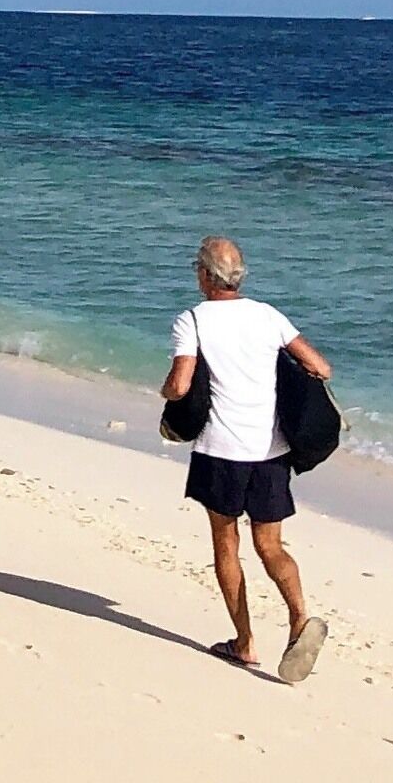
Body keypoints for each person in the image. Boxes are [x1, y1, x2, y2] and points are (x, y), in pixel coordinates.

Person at [161, 234, 334, 681]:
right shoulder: (267, 315)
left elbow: (180, 385)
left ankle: (244, 642)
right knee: (270, 546)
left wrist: (167, 392)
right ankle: (298, 619)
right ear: (238, 278)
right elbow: (320, 367)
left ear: (204, 275)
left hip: (222, 450)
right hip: (270, 450)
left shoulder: (193, 320)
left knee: (226, 543)